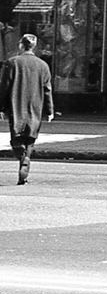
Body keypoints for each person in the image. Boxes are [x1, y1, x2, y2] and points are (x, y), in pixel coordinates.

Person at [1, 34, 55, 185]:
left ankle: (21, 156)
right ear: (34, 46)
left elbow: (4, 87)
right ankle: (25, 164)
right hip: (35, 106)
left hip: (16, 105)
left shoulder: (12, 63)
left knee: (16, 137)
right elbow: (47, 89)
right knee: (30, 139)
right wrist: (49, 110)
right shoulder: (43, 65)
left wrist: (1, 107)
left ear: (20, 45)